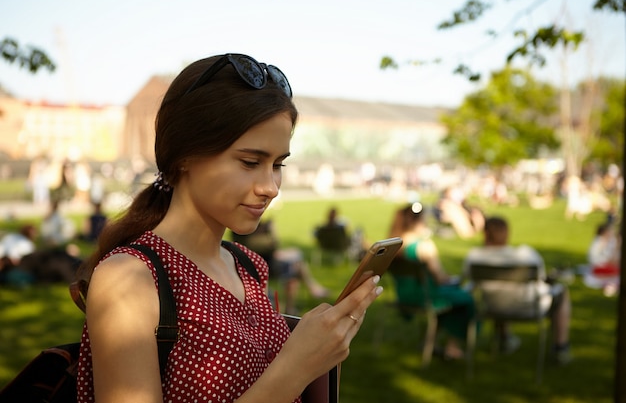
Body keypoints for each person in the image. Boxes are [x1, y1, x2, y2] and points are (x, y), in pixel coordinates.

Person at [74, 53, 383, 403]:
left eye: (277, 164)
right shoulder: (129, 278)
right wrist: (296, 367)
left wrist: (319, 349)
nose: (271, 186)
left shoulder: (248, 264)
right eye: (251, 162)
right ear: (185, 155)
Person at [463, 216, 572, 363]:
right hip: (529, 307)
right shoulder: (526, 255)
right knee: (562, 293)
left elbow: (467, 280)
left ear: (485, 234)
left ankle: (504, 339)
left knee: (498, 293)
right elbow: (541, 280)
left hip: (492, 306)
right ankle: (561, 347)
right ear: (507, 233)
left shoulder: (474, 257)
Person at [388, 202, 475, 360]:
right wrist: (454, 280)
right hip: (426, 297)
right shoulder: (424, 247)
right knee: (466, 299)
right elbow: (440, 279)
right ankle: (452, 346)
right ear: (419, 221)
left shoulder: (393, 245)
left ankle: (431, 342)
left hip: (403, 296)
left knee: (452, 297)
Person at [231, 219, 329, 315]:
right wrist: (273, 231)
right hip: (267, 267)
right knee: (295, 268)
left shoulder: (245, 233)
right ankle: (300, 299)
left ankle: (307, 292)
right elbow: (272, 246)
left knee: (296, 259)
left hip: (268, 262)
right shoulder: (247, 236)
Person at [585, 220, 621, 296]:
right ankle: (610, 285)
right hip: (601, 266)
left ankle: (611, 285)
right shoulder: (598, 242)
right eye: (610, 232)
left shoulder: (611, 241)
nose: (612, 234)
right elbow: (594, 259)